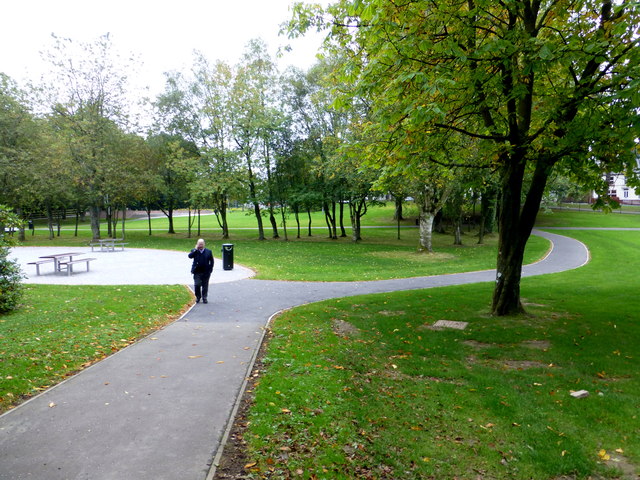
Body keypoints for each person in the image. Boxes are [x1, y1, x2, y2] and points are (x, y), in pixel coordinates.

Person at [188, 238, 214, 303]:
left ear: (204, 244)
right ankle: (198, 297)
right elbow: (190, 256)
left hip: (206, 272)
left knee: (205, 285)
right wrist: (195, 250)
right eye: (199, 244)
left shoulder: (208, 252)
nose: (200, 246)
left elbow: (212, 261)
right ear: (197, 244)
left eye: (202, 244)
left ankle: (204, 297)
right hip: (197, 271)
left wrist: (210, 269)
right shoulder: (194, 251)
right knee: (197, 284)